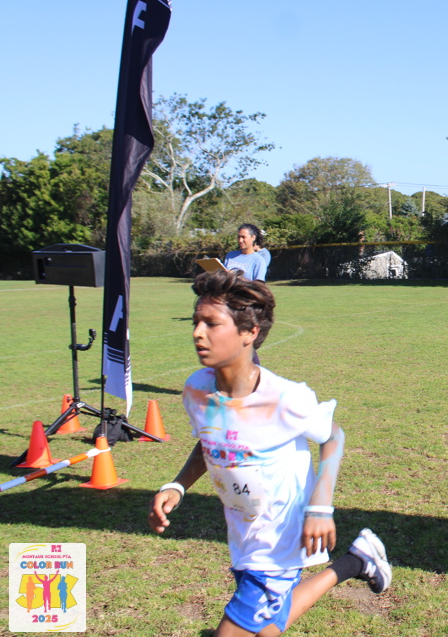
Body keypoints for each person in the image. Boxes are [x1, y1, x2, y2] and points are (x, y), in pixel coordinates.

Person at [148, 270, 390, 636]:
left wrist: (320, 508)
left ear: (249, 332)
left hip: (281, 540)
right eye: (196, 322)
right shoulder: (197, 390)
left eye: (211, 323)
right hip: (243, 534)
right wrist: (178, 485)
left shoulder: (284, 398)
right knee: (267, 628)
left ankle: (355, 561)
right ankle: (357, 561)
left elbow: (334, 437)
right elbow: (210, 442)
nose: (197, 332)